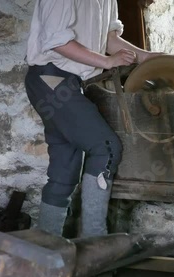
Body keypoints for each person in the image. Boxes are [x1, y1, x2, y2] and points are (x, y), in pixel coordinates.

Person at [24, 0, 160, 238]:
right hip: (50, 79)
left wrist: (146, 57)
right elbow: (58, 42)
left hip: (71, 83)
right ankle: (95, 241)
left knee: (65, 168)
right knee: (106, 147)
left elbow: (107, 39)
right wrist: (108, 61)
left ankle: (46, 246)